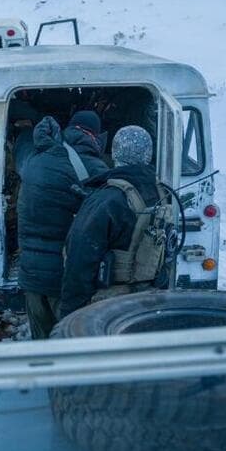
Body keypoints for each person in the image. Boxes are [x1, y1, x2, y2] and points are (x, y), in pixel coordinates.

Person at [13, 110, 109, 339]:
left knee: (43, 346)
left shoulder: (36, 160)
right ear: (94, 136)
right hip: (65, 279)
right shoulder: (94, 169)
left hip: (31, 276)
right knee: (71, 346)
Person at [59, 125, 170, 319]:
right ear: (149, 154)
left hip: (110, 306)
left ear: (115, 152)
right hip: (149, 301)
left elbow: (79, 260)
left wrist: (70, 314)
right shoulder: (161, 192)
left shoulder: (107, 199)